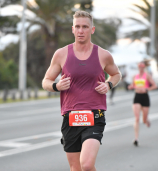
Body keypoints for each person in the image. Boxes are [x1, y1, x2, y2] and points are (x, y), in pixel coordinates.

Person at [42, 10, 121, 171]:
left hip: (94, 116)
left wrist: (108, 85)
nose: (80, 30)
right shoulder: (61, 54)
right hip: (70, 117)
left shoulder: (103, 55)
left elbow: (116, 74)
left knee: (86, 165)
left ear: (92, 30)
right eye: (77, 26)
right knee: (76, 168)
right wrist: (57, 86)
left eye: (85, 27)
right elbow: (46, 81)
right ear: (72, 29)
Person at [128, 62, 157, 146]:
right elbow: (132, 85)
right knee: (137, 118)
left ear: (144, 67)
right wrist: (130, 87)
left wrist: (147, 89)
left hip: (145, 97)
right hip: (137, 97)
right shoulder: (135, 76)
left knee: (144, 120)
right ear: (138, 67)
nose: (141, 68)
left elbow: (155, 85)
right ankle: (136, 138)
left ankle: (146, 119)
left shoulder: (147, 75)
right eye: (139, 67)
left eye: (142, 67)